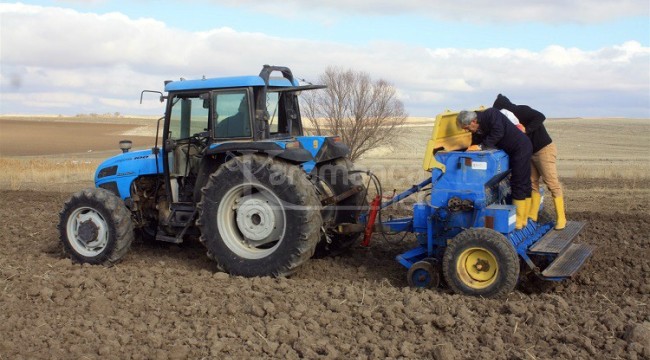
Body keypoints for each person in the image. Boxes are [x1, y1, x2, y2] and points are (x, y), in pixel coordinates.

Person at [493, 94, 565, 230]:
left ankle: (561, 218)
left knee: (552, 183)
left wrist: (527, 130)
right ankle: (533, 215)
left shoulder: (521, 111)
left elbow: (540, 116)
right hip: (529, 153)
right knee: (532, 183)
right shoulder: (509, 120)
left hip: (543, 150)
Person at [457, 108, 533, 230]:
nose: (466, 130)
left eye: (466, 127)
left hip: (521, 148)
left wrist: (481, 146)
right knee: (522, 181)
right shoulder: (477, 129)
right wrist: (469, 151)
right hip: (512, 151)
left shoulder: (491, 115)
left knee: (520, 181)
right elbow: (476, 143)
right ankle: (524, 218)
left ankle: (520, 220)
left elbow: (498, 132)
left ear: (473, 121)